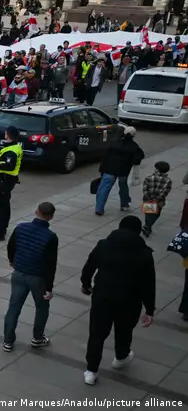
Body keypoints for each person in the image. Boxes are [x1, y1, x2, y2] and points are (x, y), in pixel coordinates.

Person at [80, 216, 156, 386]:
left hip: (103, 297)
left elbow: (89, 266)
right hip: (130, 300)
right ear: (138, 231)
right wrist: (150, 309)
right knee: (124, 330)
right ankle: (120, 357)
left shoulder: (103, 245)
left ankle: (91, 370)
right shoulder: (144, 253)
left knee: (97, 334)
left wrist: (86, 284)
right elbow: (149, 283)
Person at [2, 202, 58, 352]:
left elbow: (11, 246)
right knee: (42, 307)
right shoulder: (51, 237)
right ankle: (37, 338)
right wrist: (49, 288)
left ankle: (8, 341)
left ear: (36, 212)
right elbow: (50, 264)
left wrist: (12, 260)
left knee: (14, 307)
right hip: (38, 277)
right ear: (51, 217)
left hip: (19, 272)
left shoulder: (21, 228)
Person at [96, 126, 143, 215]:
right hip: (123, 171)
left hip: (109, 169)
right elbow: (137, 159)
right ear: (133, 135)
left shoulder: (114, 143)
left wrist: (102, 169)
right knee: (123, 187)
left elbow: (105, 156)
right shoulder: (134, 146)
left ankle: (99, 208)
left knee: (104, 188)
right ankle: (124, 204)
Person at [0, 127, 23, 242]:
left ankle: (0, 232)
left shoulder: (11, 150)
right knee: (4, 204)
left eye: (6, 133)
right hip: (6, 180)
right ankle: (1, 226)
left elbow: (9, 166)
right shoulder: (14, 147)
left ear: (8, 135)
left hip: (5, 180)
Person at [140, 161, 172, 237]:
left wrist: (149, 197)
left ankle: (147, 226)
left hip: (148, 199)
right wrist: (157, 199)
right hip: (159, 201)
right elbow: (165, 192)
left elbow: (145, 189)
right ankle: (148, 226)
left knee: (148, 214)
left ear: (157, 169)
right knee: (157, 214)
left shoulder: (149, 178)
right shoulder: (168, 181)